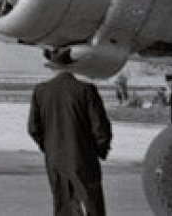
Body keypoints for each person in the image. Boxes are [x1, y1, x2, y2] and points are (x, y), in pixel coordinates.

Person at [28, 50, 112, 216]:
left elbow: (33, 128)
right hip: (83, 156)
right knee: (92, 203)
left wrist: (49, 147)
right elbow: (100, 128)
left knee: (63, 203)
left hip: (55, 158)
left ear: (52, 68)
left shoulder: (41, 91)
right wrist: (99, 150)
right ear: (73, 66)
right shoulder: (86, 90)